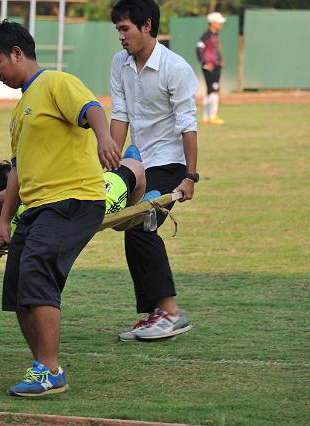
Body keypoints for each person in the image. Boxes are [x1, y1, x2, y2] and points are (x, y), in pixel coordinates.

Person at [0, 20, 120, 397]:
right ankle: (41, 366)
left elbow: (92, 109)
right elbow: (17, 170)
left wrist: (104, 138)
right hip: (38, 208)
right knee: (17, 286)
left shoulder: (56, 82)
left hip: (74, 198)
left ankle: (50, 369)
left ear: (17, 53)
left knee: (37, 266)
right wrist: (4, 221)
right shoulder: (19, 111)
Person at [109, 0, 198, 341]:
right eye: (118, 30)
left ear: (146, 26)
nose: (121, 36)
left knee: (141, 227)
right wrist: (111, 167)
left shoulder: (176, 68)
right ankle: (156, 315)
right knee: (131, 228)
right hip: (137, 164)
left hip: (170, 164)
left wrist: (190, 176)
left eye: (125, 29)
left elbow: (188, 124)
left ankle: (171, 313)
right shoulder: (120, 63)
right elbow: (120, 114)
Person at [0, 156, 146, 233]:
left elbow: (54, 190)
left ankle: (133, 212)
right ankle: (130, 216)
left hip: (84, 192)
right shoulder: (32, 212)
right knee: (134, 166)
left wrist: (2, 199)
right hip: (93, 202)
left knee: (132, 165)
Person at [197, 11, 226, 125]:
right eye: (219, 22)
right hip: (210, 67)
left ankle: (206, 117)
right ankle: (213, 116)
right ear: (212, 23)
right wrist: (205, 62)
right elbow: (199, 49)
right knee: (214, 90)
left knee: (210, 91)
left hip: (216, 66)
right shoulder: (207, 36)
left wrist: (220, 61)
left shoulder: (215, 35)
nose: (221, 24)